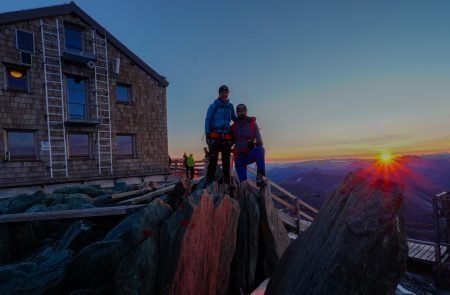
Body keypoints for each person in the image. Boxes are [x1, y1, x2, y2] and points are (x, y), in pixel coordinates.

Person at [204, 85, 237, 185]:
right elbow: (207, 120)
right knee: (213, 159)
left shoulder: (230, 106)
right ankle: (209, 180)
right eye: (222, 92)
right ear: (219, 94)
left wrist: (244, 119)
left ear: (228, 94)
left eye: (226, 92)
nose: (224, 94)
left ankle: (226, 180)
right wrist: (207, 134)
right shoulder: (213, 106)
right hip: (214, 135)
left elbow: (234, 118)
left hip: (226, 136)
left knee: (226, 160)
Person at [231, 103, 266, 187]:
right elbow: (229, 143)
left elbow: (260, 142)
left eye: (243, 111)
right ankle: (244, 195)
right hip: (238, 158)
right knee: (243, 185)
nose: (242, 113)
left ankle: (260, 177)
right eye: (240, 111)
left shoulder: (252, 124)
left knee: (260, 149)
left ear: (246, 111)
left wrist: (254, 144)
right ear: (237, 113)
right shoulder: (233, 127)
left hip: (249, 155)